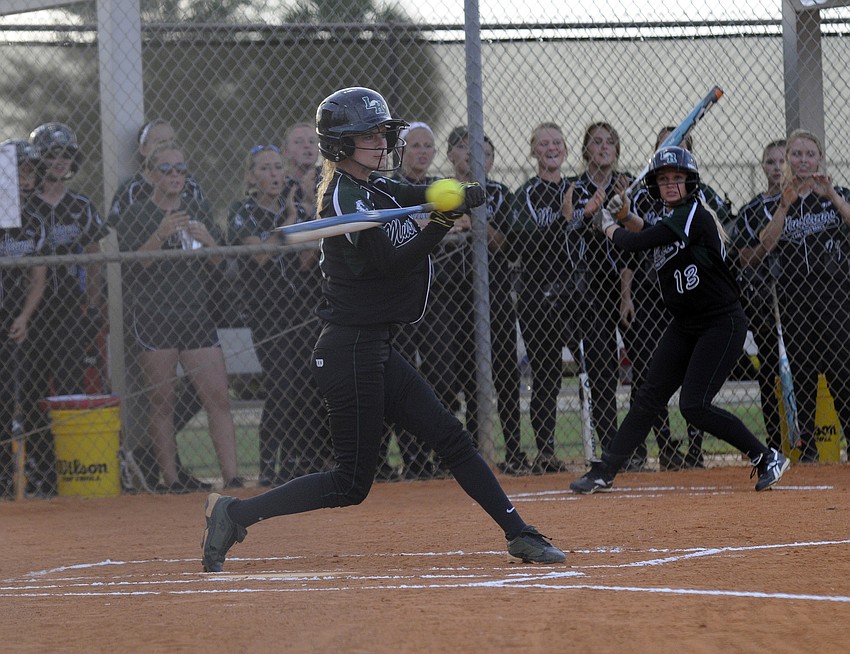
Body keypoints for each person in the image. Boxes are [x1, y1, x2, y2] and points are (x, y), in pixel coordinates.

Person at [200, 87, 566, 572]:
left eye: (380, 132)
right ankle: (235, 513)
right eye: (368, 135)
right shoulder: (341, 197)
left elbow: (414, 193)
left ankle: (520, 533)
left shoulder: (373, 187)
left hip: (375, 345)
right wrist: (439, 223)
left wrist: (457, 193)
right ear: (341, 144)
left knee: (451, 438)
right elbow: (392, 264)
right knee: (350, 484)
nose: (380, 141)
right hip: (349, 350)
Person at [569, 146, 790, 494]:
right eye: (664, 179)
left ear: (690, 183)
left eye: (678, 178)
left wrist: (607, 224)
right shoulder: (674, 221)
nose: (671, 184)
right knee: (648, 396)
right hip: (686, 325)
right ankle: (605, 471)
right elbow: (651, 232)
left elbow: (634, 243)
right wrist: (625, 217)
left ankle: (766, 457)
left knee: (694, 405)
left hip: (721, 323)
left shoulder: (693, 215)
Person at [113, 141, 242, 491]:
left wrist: (207, 240)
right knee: (162, 400)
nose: (175, 176)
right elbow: (136, 263)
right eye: (166, 169)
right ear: (150, 175)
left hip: (194, 313)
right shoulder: (137, 213)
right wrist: (161, 234)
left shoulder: (197, 208)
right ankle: (169, 480)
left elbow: (220, 264)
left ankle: (232, 476)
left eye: (180, 169)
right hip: (154, 316)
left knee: (217, 395)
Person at [228, 144, 328, 487]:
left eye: (277, 168)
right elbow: (260, 255)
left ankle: (295, 462)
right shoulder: (243, 211)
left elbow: (302, 263)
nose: (274, 175)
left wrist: (309, 221)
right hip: (265, 312)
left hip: (296, 308)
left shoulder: (297, 208)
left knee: (302, 383)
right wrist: (287, 222)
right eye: (265, 169)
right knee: (281, 384)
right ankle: (268, 463)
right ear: (252, 176)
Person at [23, 122, 110, 497]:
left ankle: (72, 466)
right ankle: (40, 469)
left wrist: (92, 302)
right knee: (31, 388)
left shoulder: (80, 206)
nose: (59, 163)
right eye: (51, 156)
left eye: (65, 155)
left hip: (68, 307)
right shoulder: (26, 206)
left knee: (70, 385)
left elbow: (94, 258)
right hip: (29, 308)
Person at [758, 129, 850, 462]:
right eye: (796, 154)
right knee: (801, 371)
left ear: (820, 158)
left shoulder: (837, 194)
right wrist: (785, 205)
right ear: (787, 161)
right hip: (793, 297)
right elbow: (765, 245)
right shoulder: (774, 200)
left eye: (810, 154)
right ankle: (806, 449)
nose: (803, 160)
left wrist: (835, 199)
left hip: (835, 295)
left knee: (843, 368)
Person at [444, 126, 529, 475]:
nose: (475, 156)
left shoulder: (500, 194)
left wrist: (478, 222)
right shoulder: (440, 191)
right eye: (464, 148)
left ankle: (514, 450)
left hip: (494, 296)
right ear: (451, 155)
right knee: (461, 377)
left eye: (484, 152)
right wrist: (452, 222)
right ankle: (471, 453)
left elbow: (507, 246)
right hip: (452, 298)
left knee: (506, 375)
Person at [508, 122, 575, 474]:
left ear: (565, 149)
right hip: (538, 296)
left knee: (592, 369)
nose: (551, 148)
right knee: (547, 375)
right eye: (543, 143)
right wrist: (563, 221)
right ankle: (546, 451)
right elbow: (527, 246)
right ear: (533, 150)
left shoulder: (578, 189)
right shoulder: (527, 195)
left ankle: (605, 445)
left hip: (578, 294)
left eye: (557, 143)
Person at [0, 140, 47, 499]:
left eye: (30, 171)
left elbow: (38, 277)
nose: (25, 179)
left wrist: (25, 316)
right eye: (18, 171)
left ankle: (10, 480)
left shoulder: (34, 221)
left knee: (15, 396)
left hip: (15, 316)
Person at [734, 139, 785, 453]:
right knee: (769, 373)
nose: (777, 168)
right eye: (770, 162)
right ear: (763, 166)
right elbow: (742, 255)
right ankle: (776, 443)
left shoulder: (810, 201)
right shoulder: (752, 210)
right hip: (766, 304)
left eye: (782, 161)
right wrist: (762, 249)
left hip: (803, 301)